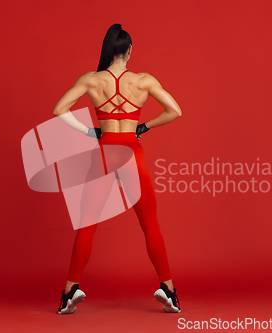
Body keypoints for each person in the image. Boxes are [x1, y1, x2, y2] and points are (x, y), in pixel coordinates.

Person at [52, 23, 182, 314]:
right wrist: (144, 126)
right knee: (150, 225)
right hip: (132, 154)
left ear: (108, 49)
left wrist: (91, 132)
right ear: (130, 50)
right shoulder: (144, 81)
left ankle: (70, 290)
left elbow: (59, 110)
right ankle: (169, 291)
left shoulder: (91, 80)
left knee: (87, 224)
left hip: (104, 152)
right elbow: (175, 110)